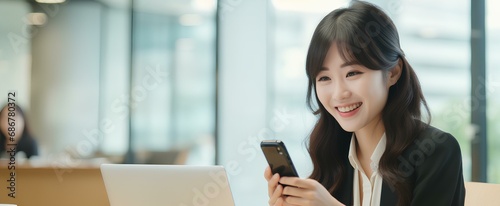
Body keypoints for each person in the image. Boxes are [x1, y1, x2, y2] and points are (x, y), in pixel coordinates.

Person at [264, 1, 465, 206]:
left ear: (393, 72)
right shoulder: (333, 157)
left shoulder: (435, 151)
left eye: (353, 73)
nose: (339, 93)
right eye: (324, 78)